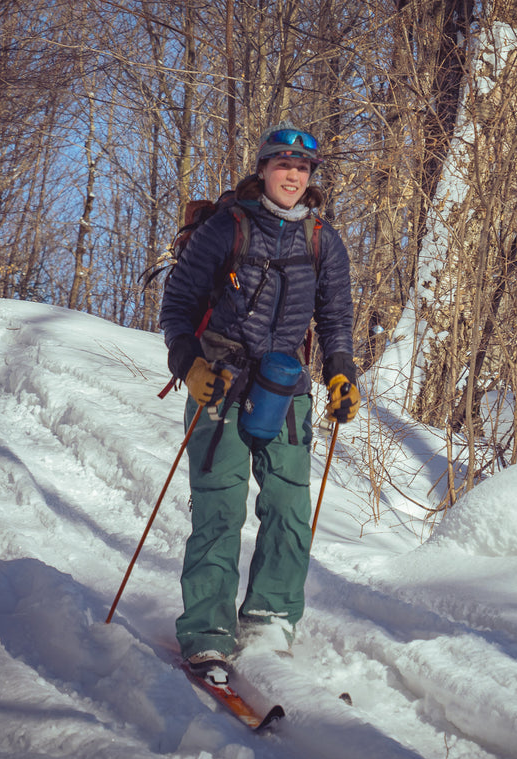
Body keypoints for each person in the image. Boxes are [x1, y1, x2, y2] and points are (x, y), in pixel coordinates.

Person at [160, 121, 359, 684]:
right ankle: (207, 633)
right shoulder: (227, 229)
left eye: (302, 169)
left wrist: (341, 374)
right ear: (264, 169)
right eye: (282, 165)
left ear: (310, 177)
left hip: (287, 392)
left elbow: (337, 321)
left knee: (290, 511)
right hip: (218, 385)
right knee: (220, 510)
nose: (292, 176)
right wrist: (188, 365)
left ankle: (270, 623)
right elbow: (177, 306)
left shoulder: (325, 240)